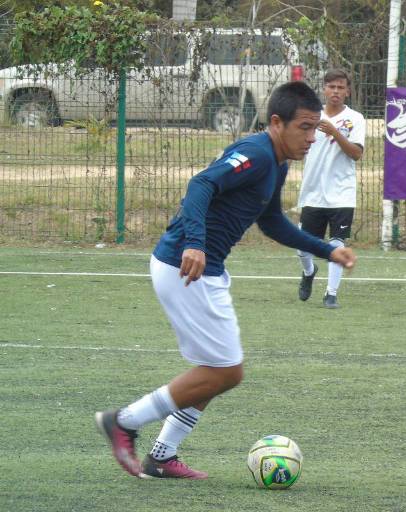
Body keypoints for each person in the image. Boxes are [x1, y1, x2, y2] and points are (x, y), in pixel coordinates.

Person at [95, 81, 357, 479]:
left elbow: (271, 223)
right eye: (304, 127)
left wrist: (325, 249)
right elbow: (201, 183)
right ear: (276, 122)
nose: (312, 137)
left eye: (315, 128)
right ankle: (125, 421)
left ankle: (162, 456)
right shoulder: (256, 153)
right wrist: (195, 244)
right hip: (186, 267)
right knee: (225, 372)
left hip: (203, 269)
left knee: (212, 372)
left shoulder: (277, 161)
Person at [295, 69, 365, 309]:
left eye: (340, 87)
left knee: (337, 245)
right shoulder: (309, 116)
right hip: (313, 192)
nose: (336, 91)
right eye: (331, 87)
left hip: (342, 194)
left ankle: (331, 294)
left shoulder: (355, 119)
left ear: (348, 91)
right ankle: (309, 271)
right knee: (303, 247)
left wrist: (335, 132)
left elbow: (356, 154)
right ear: (324, 89)